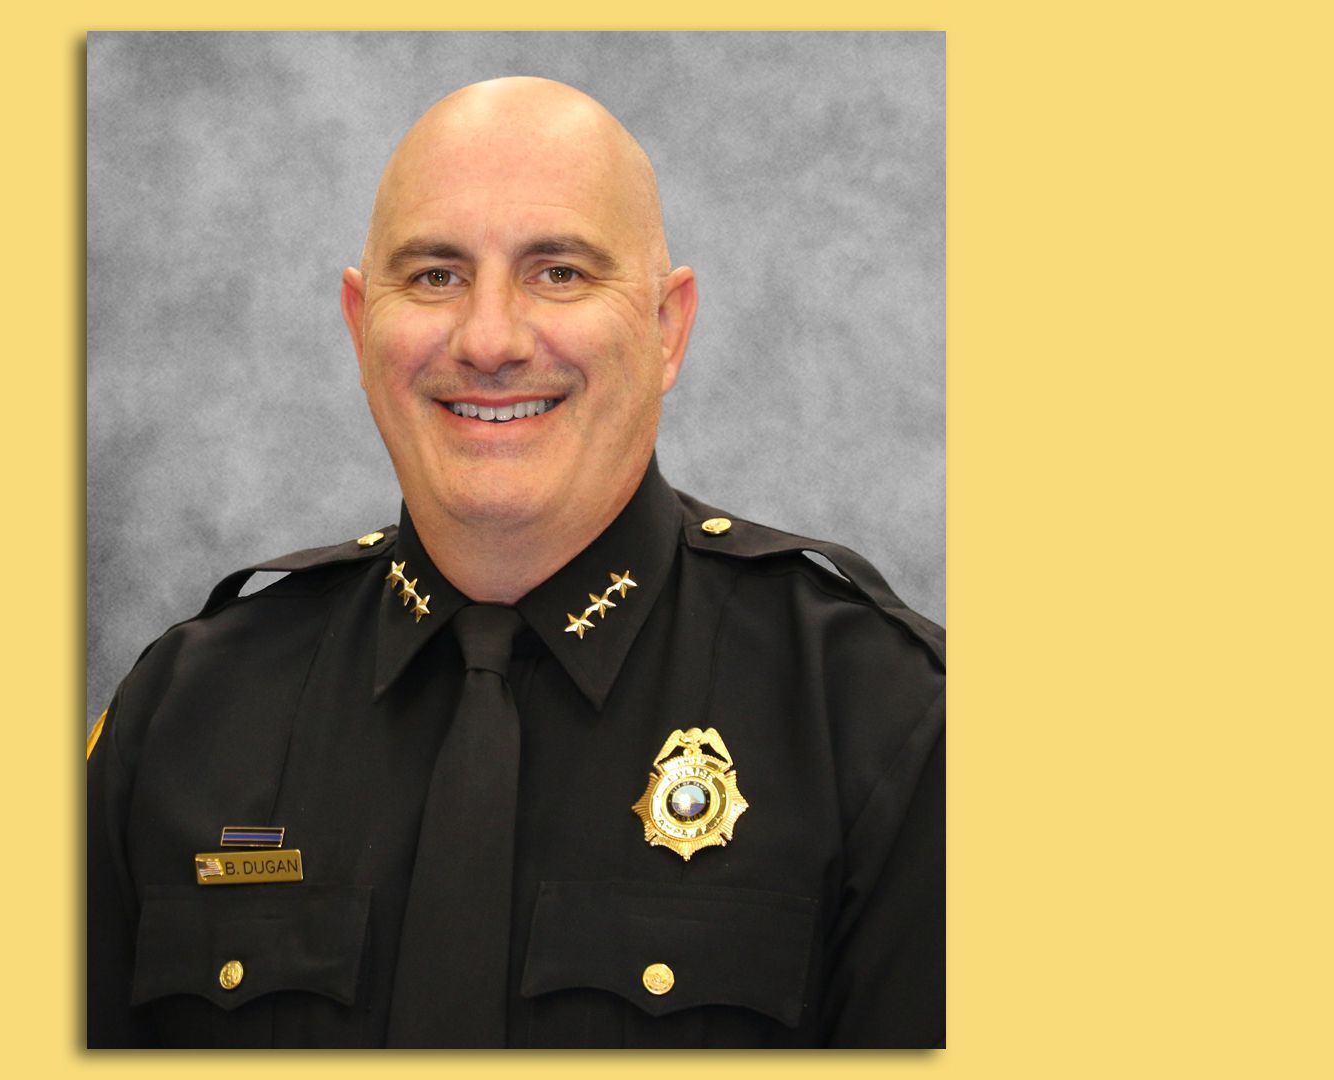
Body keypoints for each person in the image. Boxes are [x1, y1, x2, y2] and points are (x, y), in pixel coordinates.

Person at [88, 76, 944, 1049]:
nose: (489, 340)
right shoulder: (184, 711)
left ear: (667, 327)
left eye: (560, 273)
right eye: (435, 277)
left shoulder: (879, 721)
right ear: (359, 327)